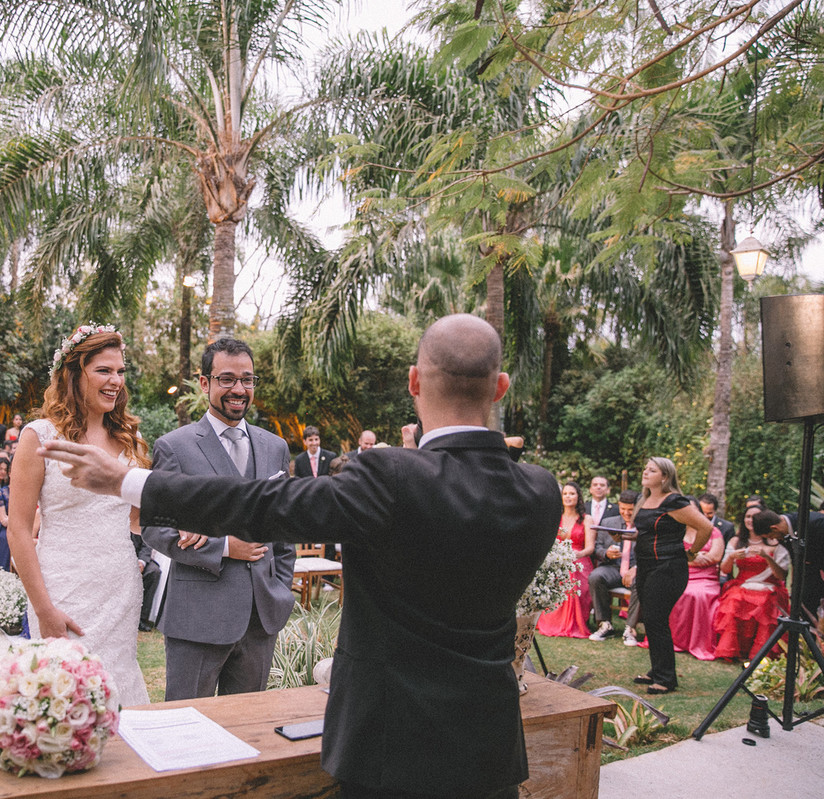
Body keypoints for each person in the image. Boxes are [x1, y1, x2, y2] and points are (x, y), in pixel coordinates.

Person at [40, 313, 562, 798]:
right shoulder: (541, 493)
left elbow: (264, 505)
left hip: (387, 749)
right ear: (500, 387)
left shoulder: (389, 479)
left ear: (414, 383)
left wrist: (127, 481)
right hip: (489, 748)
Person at [141, 338, 295, 700]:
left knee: (247, 728)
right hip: (198, 618)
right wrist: (225, 547)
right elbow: (154, 527)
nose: (239, 389)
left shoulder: (275, 447)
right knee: (185, 726)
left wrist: (280, 589)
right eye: (227, 379)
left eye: (248, 379)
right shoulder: (174, 447)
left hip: (261, 619)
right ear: (205, 383)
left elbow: (285, 528)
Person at [8, 323, 150, 708]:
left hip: (120, 590)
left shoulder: (130, 441)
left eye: (120, 371)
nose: (115, 381)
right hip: (63, 593)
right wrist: (44, 610)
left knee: (120, 695)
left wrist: (180, 533)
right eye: (104, 370)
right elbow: (19, 531)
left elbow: (137, 519)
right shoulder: (39, 437)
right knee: (64, 699)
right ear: (74, 373)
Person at [632, 457, 714, 694]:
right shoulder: (645, 499)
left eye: (652, 470)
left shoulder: (675, 501)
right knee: (650, 618)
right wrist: (627, 537)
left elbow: (705, 528)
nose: (645, 472)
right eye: (645, 468)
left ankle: (666, 679)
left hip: (668, 567)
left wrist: (693, 552)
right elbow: (647, 531)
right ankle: (657, 670)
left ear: (665, 477)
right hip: (646, 565)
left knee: (657, 619)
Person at [712, 507, 790, 661]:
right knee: (734, 600)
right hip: (742, 585)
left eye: (754, 517)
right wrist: (732, 557)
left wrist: (767, 557)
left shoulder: (776, 543)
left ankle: (761, 654)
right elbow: (725, 570)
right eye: (748, 516)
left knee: (766, 602)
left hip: (769, 587)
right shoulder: (736, 541)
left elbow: (781, 575)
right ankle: (734, 650)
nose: (751, 520)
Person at [655, 509, 724, 661]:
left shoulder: (713, 531)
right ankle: (675, 640)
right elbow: (669, 553)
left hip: (706, 577)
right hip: (680, 572)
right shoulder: (676, 531)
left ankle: (698, 642)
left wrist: (687, 555)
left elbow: (716, 556)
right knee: (669, 590)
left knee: (697, 594)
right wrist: (694, 557)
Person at [536, 482, 593, 639]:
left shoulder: (587, 519)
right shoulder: (555, 517)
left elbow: (590, 548)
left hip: (579, 560)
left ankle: (573, 621)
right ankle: (551, 620)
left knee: (571, 572)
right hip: (558, 560)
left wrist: (575, 556)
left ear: (579, 497)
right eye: (565, 494)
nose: (568, 497)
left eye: (572, 494)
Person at [588, 489, 639, 641]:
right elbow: (597, 548)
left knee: (642, 581)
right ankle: (604, 624)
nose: (626, 513)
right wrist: (606, 553)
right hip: (613, 567)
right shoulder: (609, 522)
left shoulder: (644, 525)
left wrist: (636, 569)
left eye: (630, 510)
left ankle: (630, 628)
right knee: (596, 576)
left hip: (635, 569)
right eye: (623, 509)